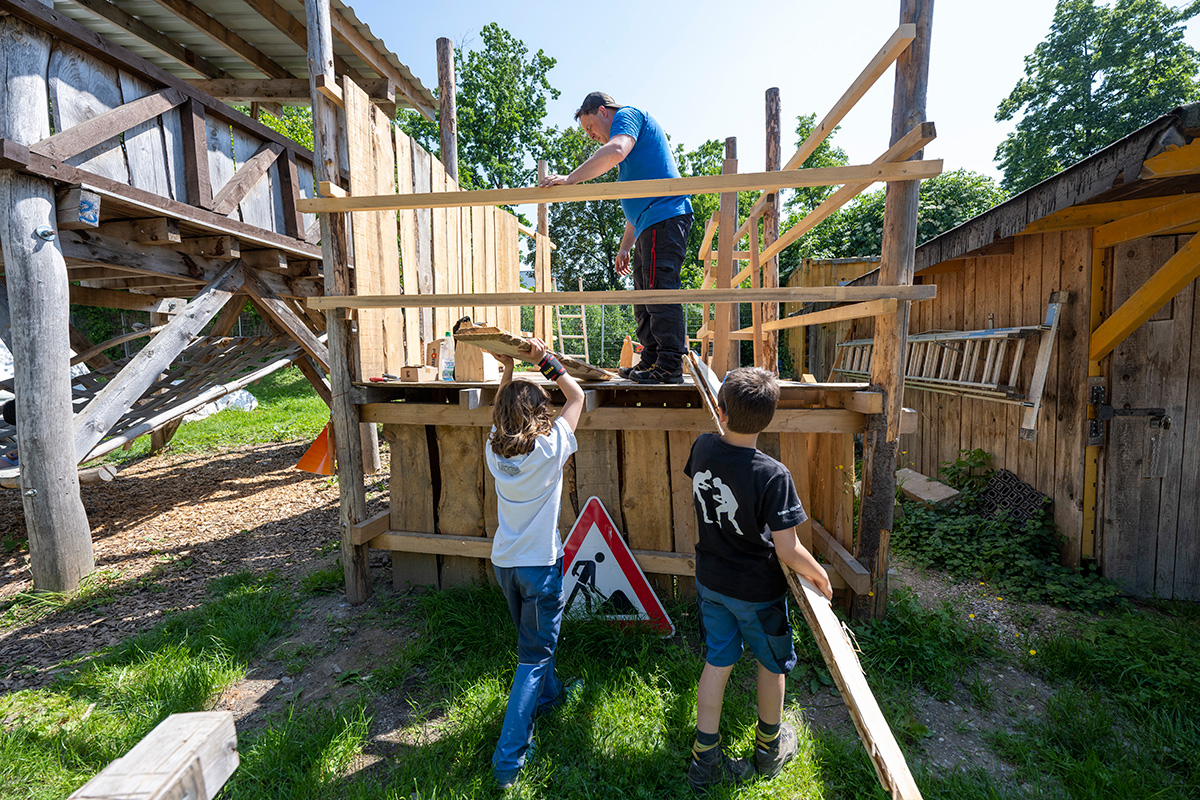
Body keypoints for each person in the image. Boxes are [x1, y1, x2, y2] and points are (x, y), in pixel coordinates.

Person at [683, 367, 834, 790]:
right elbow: (788, 549)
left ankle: (704, 761)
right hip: (756, 591)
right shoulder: (772, 474)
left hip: (711, 582)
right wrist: (820, 573)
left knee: (718, 661)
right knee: (772, 665)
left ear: (720, 410)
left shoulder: (702, 449)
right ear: (771, 417)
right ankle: (769, 750)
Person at [486, 337, 586, 790]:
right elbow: (578, 395)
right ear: (539, 415)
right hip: (541, 567)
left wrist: (507, 373)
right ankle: (508, 762)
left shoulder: (495, 451)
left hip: (505, 565)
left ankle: (552, 696)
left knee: (533, 648)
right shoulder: (550, 449)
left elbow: (499, 418)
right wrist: (542, 359)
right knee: (532, 657)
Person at [540, 91, 693, 384]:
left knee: (659, 289)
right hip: (649, 221)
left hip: (665, 215)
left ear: (602, 111)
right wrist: (626, 246)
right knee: (642, 295)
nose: (590, 136)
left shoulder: (628, 115)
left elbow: (616, 149)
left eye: (590, 127)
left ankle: (670, 364)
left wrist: (570, 178)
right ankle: (651, 359)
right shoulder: (631, 156)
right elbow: (635, 203)